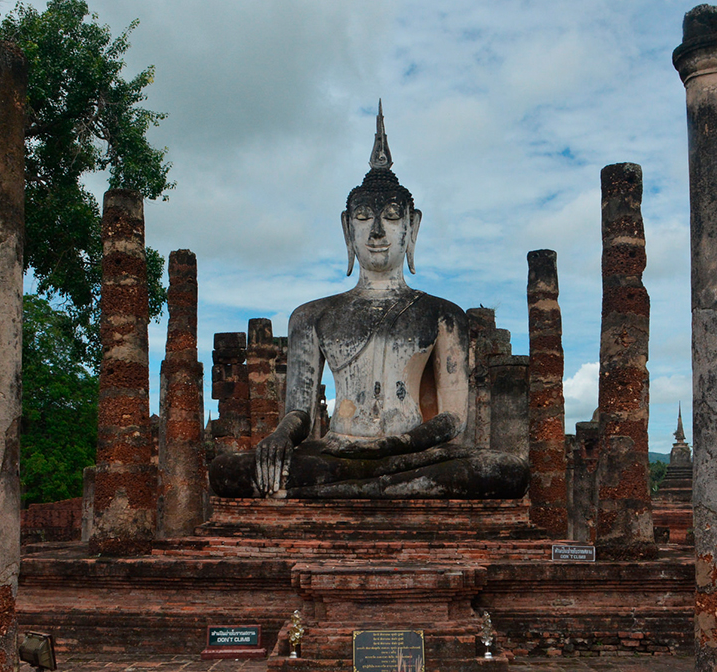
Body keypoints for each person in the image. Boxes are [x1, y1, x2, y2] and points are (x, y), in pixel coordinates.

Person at [209, 104, 528, 499]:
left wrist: (392, 446)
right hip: (338, 450)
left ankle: (357, 489)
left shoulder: (443, 315)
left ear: (412, 227)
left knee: (505, 471)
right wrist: (279, 436)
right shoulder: (312, 316)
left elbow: (452, 419)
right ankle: (376, 487)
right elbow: (300, 414)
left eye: (392, 217)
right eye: (363, 217)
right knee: (227, 472)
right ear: (347, 228)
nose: (377, 231)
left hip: (412, 452)